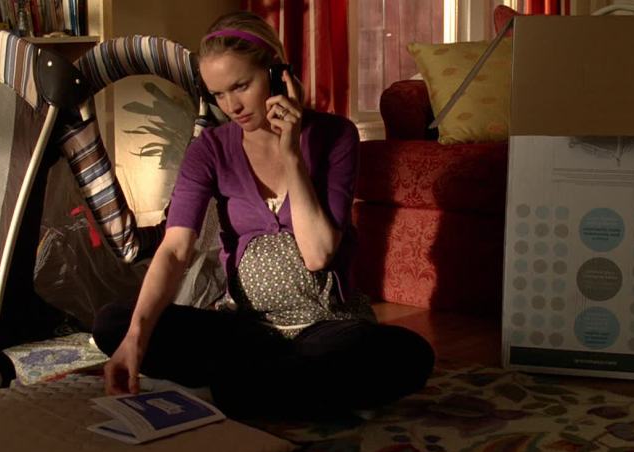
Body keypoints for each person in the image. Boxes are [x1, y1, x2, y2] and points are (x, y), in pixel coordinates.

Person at [93, 11, 434, 419]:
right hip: (245, 329)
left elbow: (319, 254)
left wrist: (291, 154)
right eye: (219, 95)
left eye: (241, 86)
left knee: (409, 354)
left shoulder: (335, 135)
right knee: (115, 323)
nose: (232, 106)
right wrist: (136, 338)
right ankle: (273, 389)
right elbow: (175, 249)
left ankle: (254, 387)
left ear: (276, 72)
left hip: (326, 325)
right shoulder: (210, 150)